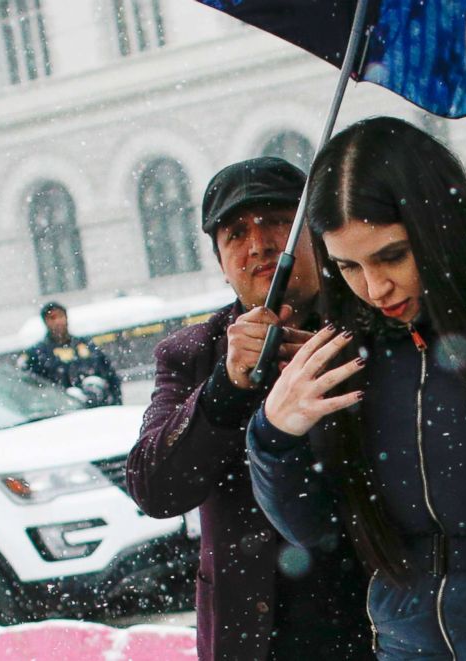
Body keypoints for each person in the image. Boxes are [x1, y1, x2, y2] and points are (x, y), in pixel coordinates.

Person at [246, 117, 466, 660]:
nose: (374, 288)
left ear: (439, 224)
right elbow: (316, 532)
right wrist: (275, 436)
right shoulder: (343, 350)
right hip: (412, 640)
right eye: (347, 266)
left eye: (391, 255)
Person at [125, 157, 371, 660]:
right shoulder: (192, 354)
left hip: (376, 620)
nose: (258, 244)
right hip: (256, 635)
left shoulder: (371, 322)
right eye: (235, 233)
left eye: (278, 221)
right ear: (220, 261)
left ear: (316, 234)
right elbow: (154, 487)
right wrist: (226, 388)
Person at [20, 301, 122, 407]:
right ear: (46, 322)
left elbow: (110, 374)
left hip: (99, 406)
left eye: (60, 316)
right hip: (63, 411)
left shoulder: (85, 345)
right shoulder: (38, 353)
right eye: (52, 318)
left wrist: (116, 402)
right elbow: (33, 385)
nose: (58, 322)